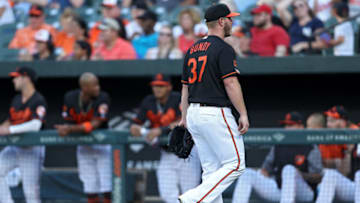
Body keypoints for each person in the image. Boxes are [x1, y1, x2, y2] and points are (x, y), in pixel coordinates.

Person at [178, 4, 249, 203]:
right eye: (229, 19)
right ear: (221, 21)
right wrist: (242, 113)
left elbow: (185, 87)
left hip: (193, 113)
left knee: (212, 171)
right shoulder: (223, 48)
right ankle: (192, 199)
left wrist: (184, 117)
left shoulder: (192, 49)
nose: (232, 22)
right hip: (214, 113)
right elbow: (230, 82)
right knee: (236, 164)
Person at [130, 73, 201, 203]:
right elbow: (135, 123)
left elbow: (183, 121)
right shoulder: (149, 101)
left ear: (169, 87)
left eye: (161, 86)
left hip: (187, 153)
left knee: (191, 194)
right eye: (155, 86)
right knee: (167, 194)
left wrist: (161, 130)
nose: (157, 89)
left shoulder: (178, 98)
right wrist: (136, 128)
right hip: (167, 154)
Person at [232, 112, 322, 203]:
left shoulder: (310, 147)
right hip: (281, 190)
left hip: (304, 192)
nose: (287, 128)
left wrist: (300, 175)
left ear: (301, 127)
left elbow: (318, 176)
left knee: (289, 169)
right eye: (285, 125)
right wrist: (264, 173)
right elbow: (265, 169)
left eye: (291, 125)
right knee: (247, 173)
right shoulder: (279, 145)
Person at [55, 72, 112, 203]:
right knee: (89, 183)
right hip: (83, 144)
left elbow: (95, 124)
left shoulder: (103, 97)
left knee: (107, 183)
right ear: (85, 88)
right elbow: (68, 121)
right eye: (94, 85)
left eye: (98, 84)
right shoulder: (70, 97)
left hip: (102, 143)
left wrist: (70, 129)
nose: (98, 87)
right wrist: (67, 128)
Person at [0, 67, 47, 203]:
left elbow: (36, 125)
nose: (14, 80)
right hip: (15, 148)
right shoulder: (16, 99)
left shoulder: (38, 100)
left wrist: (10, 130)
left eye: (17, 77)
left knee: (31, 192)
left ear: (26, 78)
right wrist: (4, 128)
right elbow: (10, 121)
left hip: (32, 149)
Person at [316, 105, 359, 203]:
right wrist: (347, 154)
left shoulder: (356, 132)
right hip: (350, 187)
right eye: (328, 120)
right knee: (330, 174)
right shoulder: (328, 138)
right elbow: (344, 171)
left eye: (332, 120)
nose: (328, 124)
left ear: (343, 122)